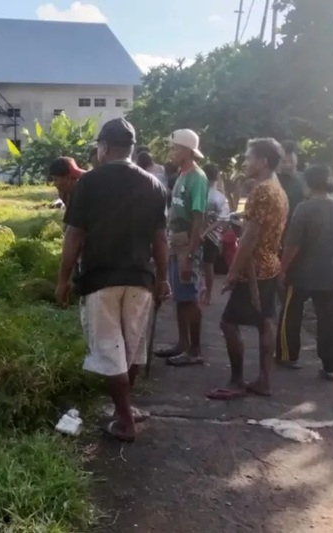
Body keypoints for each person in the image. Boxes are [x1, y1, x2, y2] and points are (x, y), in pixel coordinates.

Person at [57, 118, 170, 442]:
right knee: (131, 349)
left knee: (110, 351)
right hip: (140, 279)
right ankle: (125, 409)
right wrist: (163, 279)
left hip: (101, 278)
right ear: (131, 148)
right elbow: (160, 239)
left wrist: (62, 279)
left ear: (104, 147)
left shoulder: (89, 183)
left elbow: (74, 235)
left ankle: (125, 423)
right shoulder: (154, 184)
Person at [209, 138, 288, 400]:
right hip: (270, 264)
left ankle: (236, 381)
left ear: (262, 161)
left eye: (248, 157)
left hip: (255, 270)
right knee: (266, 322)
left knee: (228, 323)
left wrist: (233, 271)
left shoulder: (262, 191)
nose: (244, 163)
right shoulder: (277, 188)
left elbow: (250, 237)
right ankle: (264, 380)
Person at [276, 166, 333, 379]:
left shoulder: (304, 209)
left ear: (307, 183)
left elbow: (292, 245)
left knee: (291, 313)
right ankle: (331, 367)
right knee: (331, 321)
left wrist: (282, 269)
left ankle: (288, 356)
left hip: (302, 274)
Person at [156, 129, 209, 367]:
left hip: (187, 244)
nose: (172, 152)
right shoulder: (181, 174)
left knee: (190, 298)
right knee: (180, 297)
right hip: (176, 242)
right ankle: (182, 343)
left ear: (188, 151)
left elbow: (199, 219)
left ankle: (195, 350)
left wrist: (189, 254)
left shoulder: (197, 178)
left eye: (176, 148)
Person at [200, 163, 231, 306]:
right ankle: (208, 294)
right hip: (212, 237)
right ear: (217, 177)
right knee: (208, 265)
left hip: (197, 233)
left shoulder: (199, 193)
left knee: (198, 264)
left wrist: (203, 231)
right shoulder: (219, 197)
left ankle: (201, 288)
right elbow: (223, 220)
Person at [278, 140, 306, 229]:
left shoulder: (305, 179)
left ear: (296, 160)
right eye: (284, 161)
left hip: (300, 225)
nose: (288, 165)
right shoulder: (273, 180)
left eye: (291, 161)